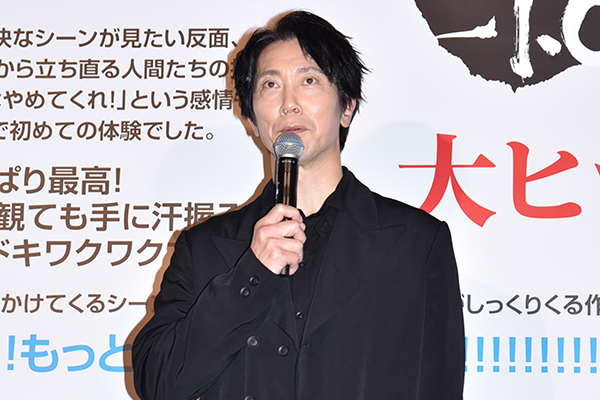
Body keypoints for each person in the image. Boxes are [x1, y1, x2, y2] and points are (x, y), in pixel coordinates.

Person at [132, 10, 464, 400]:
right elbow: (158, 385)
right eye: (270, 85)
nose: (289, 103)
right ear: (251, 118)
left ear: (346, 106)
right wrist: (251, 274)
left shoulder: (415, 242)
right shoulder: (203, 247)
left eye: (309, 80)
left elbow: (438, 384)